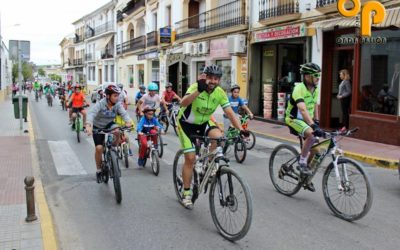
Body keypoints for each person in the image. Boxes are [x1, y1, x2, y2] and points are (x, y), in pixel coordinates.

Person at [177, 64, 248, 209]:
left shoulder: (220, 92)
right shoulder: (196, 87)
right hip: (186, 123)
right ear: (205, 77)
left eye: (216, 79)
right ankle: (186, 193)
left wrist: (241, 130)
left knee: (219, 138)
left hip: (204, 122)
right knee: (190, 158)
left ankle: (209, 166)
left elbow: (229, 112)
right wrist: (198, 90)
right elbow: (182, 103)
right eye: (210, 78)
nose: (213, 81)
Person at [285, 63, 324, 192]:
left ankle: (305, 178)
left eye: (319, 75)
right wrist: (313, 126)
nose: (318, 78)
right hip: (294, 119)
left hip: (308, 121)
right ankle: (302, 162)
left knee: (318, 151)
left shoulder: (316, 89)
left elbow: (315, 106)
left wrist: (316, 121)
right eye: (315, 76)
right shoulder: (299, 88)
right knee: (311, 135)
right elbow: (302, 109)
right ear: (307, 77)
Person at [85, 84, 132, 182]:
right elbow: (92, 114)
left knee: (118, 130)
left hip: (110, 124)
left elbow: (124, 113)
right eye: (115, 96)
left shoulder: (118, 104)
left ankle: (113, 148)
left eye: (117, 95)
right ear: (108, 96)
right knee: (99, 148)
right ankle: (98, 170)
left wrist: (128, 122)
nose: (117, 98)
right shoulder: (101, 103)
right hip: (98, 127)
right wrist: (88, 125)